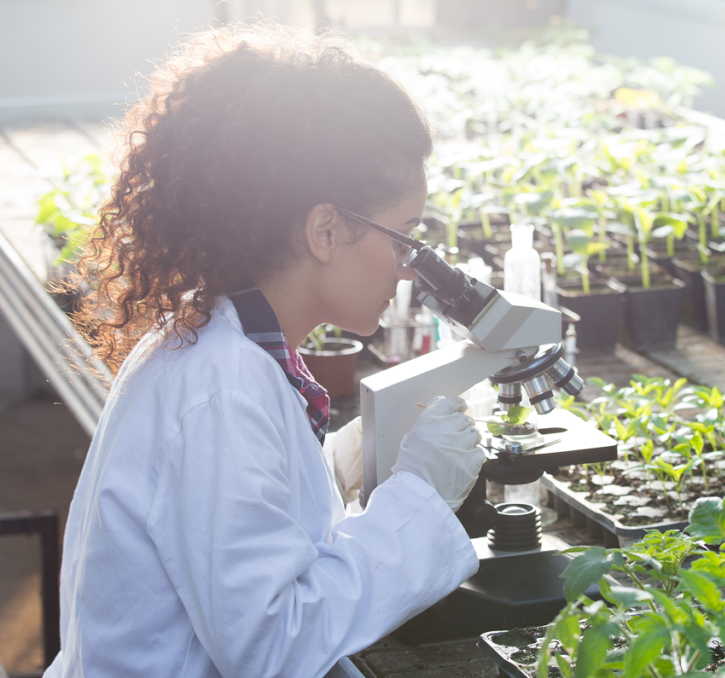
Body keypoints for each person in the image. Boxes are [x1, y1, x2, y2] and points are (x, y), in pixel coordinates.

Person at [44, 24, 485, 678]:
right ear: (326, 230)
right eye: (404, 237)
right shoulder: (220, 392)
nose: (406, 270)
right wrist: (418, 497)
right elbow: (272, 644)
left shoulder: (219, 339)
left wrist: (338, 462)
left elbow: (235, 521)